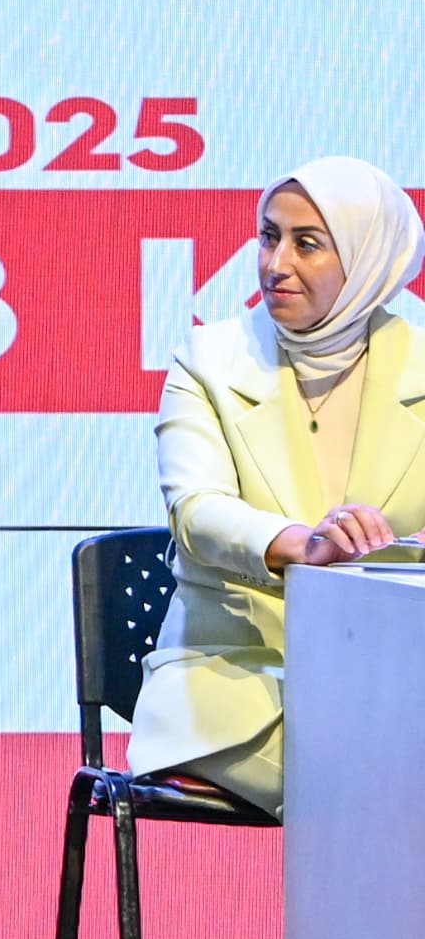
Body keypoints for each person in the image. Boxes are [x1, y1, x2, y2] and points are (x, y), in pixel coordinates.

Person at [130, 158, 425, 815]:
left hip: (395, 676)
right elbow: (197, 512)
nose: (275, 263)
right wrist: (304, 545)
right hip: (233, 679)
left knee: (387, 763)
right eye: (269, 237)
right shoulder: (208, 360)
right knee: (374, 784)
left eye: (306, 243)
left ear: (368, 258)